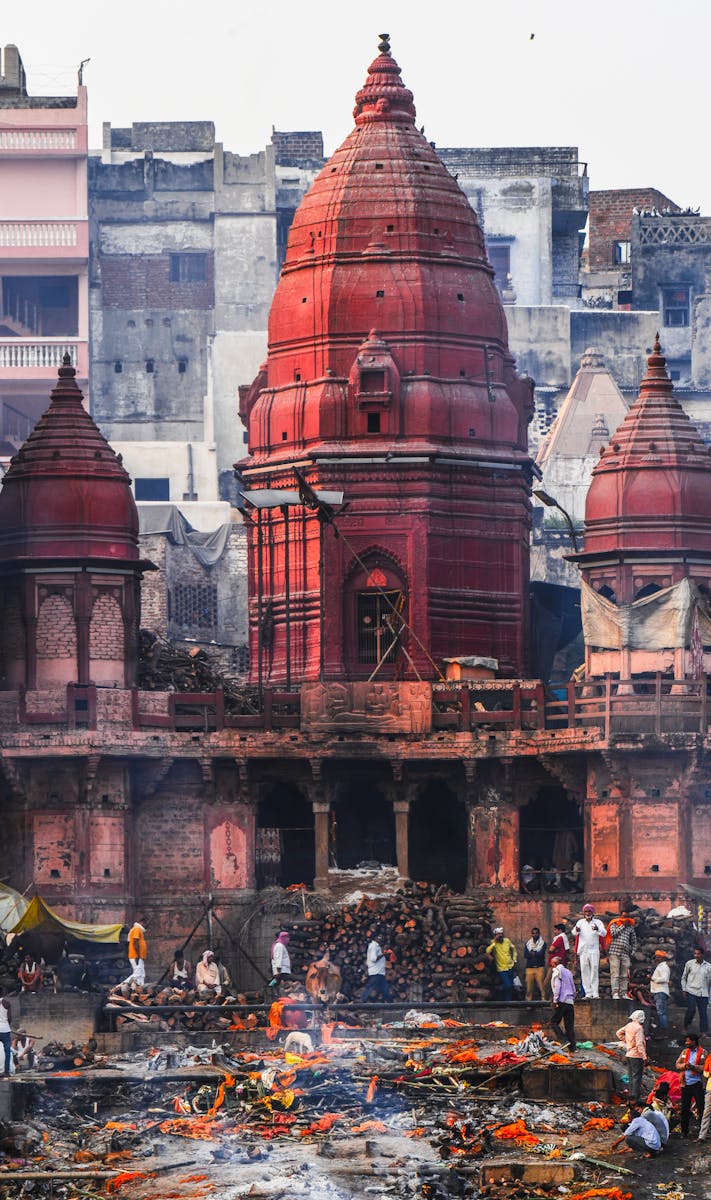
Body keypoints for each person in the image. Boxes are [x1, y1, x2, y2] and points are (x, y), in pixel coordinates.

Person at [571, 904, 606, 999]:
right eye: (585, 911)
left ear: (592, 912)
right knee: (584, 971)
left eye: (589, 911)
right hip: (583, 950)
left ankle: (595, 993)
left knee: (594, 970)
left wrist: (597, 929)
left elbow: (604, 933)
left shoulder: (598, 922)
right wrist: (577, 930)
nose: (587, 913)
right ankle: (588, 993)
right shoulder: (580, 922)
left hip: (594, 950)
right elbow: (573, 932)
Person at [675, 1032, 705, 1137]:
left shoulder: (703, 1053)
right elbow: (677, 1065)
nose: (686, 1043)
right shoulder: (684, 1052)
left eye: (688, 1041)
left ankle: (703, 1132)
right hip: (685, 1084)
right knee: (684, 1108)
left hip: (697, 1084)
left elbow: (705, 1068)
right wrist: (685, 1065)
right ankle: (684, 1132)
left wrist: (694, 1067)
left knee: (701, 1108)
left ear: (694, 1041)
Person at [616, 1010, 647, 1101]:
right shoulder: (639, 1028)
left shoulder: (629, 1025)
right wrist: (644, 1057)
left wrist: (627, 1041)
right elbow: (639, 1044)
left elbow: (618, 1033)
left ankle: (631, 1097)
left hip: (629, 1054)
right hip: (637, 1055)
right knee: (637, 1078)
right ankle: (635, 1098)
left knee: (631, 1077)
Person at [607, 913, 637, 999]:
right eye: (624, 917)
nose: (625, 919)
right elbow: (613, 934)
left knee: (624, 975)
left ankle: (623, 993)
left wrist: (633, 952)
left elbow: (634, 941)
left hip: (625, 954)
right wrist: (623, 926)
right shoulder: (614, 924)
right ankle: (615, 993)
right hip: (614, 952)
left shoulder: (631, 927)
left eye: (627, 917)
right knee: (615, 974)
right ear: (621, 917)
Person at [681, 947, 711, 1033]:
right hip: (691, 991)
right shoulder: (689, 964)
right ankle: (686, 1026)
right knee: (691, 1009)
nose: (696, 955)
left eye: (698, 954)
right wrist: (684, 989)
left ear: (702, 954)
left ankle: (703, 1032)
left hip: (703, 993)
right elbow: (684, 978)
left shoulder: (708, 967)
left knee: (703, 1013)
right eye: (695, 954)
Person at [550, 955, 576, 1051]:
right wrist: (573, 998)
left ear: (554, 964)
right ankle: (573, 1047)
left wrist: (555, 1000)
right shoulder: (568, 972)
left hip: (562, 1000)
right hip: (570, 1001)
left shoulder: (557, 971)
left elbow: (557, 986)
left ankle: (564, 1041)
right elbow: (573, 987)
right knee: (569, 1025)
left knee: (553, 1022)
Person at [486, 927, 518, 1003]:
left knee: (510, 987)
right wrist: (494, 943)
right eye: (498, 934)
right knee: (508, 985)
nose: (500, 936)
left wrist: (514, 959)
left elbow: (513, 949)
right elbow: (487, 950)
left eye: (501, 934)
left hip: (510, 966)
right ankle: (498, 988)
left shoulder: (507, 941)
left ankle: (508, 1002)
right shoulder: (493, 943)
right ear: (495, 935)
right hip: (501, 968)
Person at [362, 933, 392, 1002]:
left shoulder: (377, 946)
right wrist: (383, 954)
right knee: (370, 986)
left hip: (380, 971)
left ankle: (389, 1002)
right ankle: (363, 1000)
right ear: (375, 938)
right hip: (375, 971)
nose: (380, 938)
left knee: (385, 988)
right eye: (379, 937)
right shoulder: (373, 946)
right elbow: (373, 959)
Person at [122, 919, 147, 990]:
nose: (146, 926)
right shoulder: (137, 929)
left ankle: (139, 989)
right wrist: (138, 955)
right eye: (146, 924)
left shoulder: (138, 929)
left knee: (141, 975)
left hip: (139, 956)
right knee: (137, 974)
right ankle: (121, 985)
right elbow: (135, 943)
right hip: (136, 956)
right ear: (142, 922)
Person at [650, 950, 671, 1030]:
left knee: (661, 1012)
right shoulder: (660, 966)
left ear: (663, 958)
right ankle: (663, 1030)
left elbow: (665, 979)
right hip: (659, 991)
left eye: (659, 957)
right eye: (656, 957)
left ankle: (664, 1030)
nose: (657, 958)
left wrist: (652, 978)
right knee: (661, 1012)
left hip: (660, 991)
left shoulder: (664, 967)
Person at [524, 927, 547, 1000]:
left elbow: (541, 954)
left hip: (539, 968)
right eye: (533, 933)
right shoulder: (528, 944)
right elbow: (526, 955)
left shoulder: (543, 944)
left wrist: (533, 953)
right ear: (531, 934)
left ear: (539, 934)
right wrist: (535, 954)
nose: (535, 935)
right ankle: (528, 1004)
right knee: (529, 989)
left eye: (536, 933)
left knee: (541, 987)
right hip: (529, 968)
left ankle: (543, 1002)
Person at [698, 1043, 711, 1142]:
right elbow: (705, 1074)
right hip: (710, 1089)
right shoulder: (709, 1058)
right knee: (706, 1113)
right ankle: (702, 1136)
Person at [0, 992, 11, 1077]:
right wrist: (7, 1024)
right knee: (7, 1051)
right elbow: (10, 1018)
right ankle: (6, 1072)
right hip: (5, 1030)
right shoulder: (6, 1003)